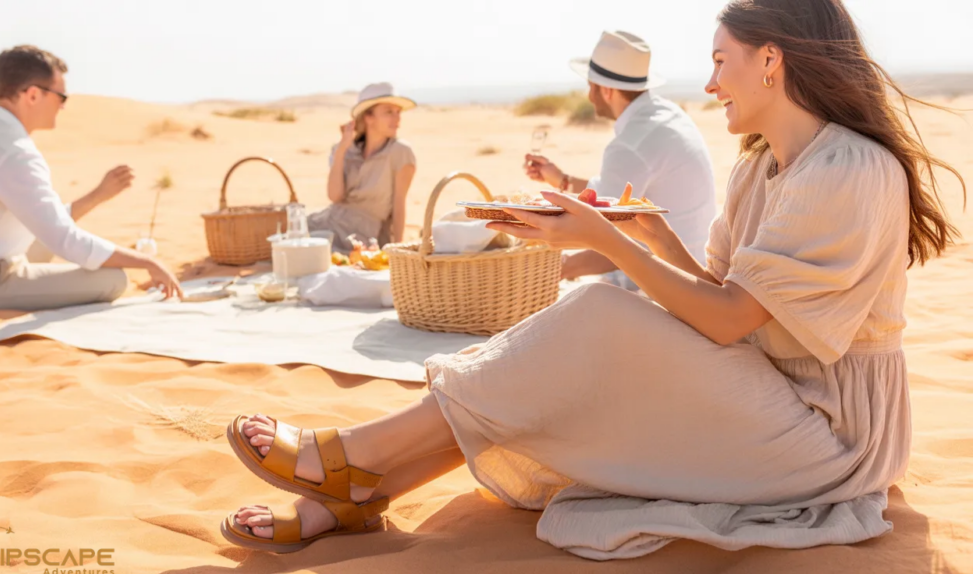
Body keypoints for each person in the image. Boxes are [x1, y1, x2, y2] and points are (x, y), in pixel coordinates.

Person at [220, 0, 965, 559]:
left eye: (720, 60)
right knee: (589, 338)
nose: (710, 83)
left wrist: (607, 240)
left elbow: (732, 318)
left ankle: (355, 461)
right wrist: (652, 234)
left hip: (830, 431)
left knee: (602, 318)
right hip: (770, 388)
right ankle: (363, 486)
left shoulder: (850, 169)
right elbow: (721, 291)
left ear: (770, 61)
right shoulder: (764, 165)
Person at [0, 45, 182, 314]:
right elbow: (65, 240)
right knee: (112, 280)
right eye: (61, 96)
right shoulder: (13, 152)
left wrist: (99, 194)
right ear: (33, 95)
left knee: (48, 243)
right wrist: (148, 262)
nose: (62, 106)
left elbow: (48, 223)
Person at [524, 31, 717, 289]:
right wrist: (561, 180)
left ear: (606, 90)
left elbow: (601, 237)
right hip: (694, 266)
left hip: (669, 283)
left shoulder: (630, 145)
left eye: (590, 86)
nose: (588, 95)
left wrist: (546, 271)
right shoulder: (668, 115)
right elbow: (609, 197)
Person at [307, 82, 417, 253]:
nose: (397, 119)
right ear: (368, 117)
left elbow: (399, 205)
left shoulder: (400, 151)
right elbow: (335, 196)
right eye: (389, 112)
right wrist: (342, 149)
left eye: (398, 112)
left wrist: (398, 250)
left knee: (307, 252)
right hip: (327, 220)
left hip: (360, 235)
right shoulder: (347, 150)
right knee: (282, 237)